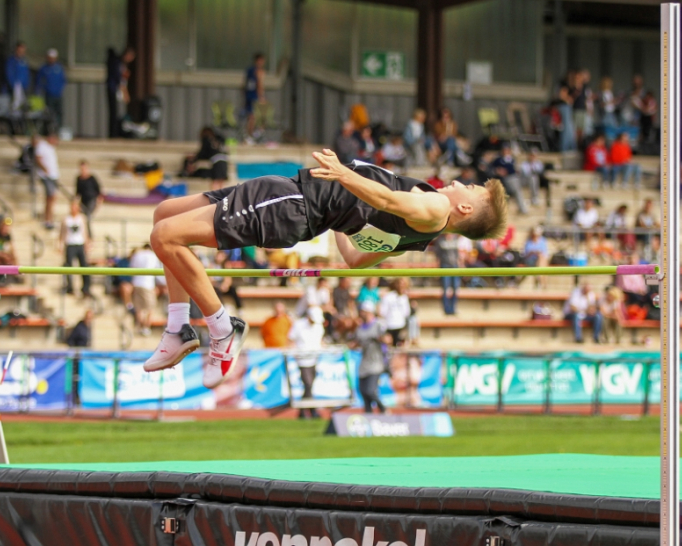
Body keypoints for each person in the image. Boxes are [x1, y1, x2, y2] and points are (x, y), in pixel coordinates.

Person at [144, 152, 508, 390]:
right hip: (295, 202)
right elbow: (355, 257)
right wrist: (341, 211)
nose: (461, 182)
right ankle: (178, 328)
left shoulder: (434, 207)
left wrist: (342, 175)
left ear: (462, 207)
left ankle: (222, 328)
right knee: (165, 214)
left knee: (165, 236)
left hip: (291, 204)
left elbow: (384, 198)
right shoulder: (416, 237)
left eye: (470, 188)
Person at [351, 301, 388, 414]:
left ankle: (382, 408)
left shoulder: (378, 325)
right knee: (362, 390)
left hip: (376, 361)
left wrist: (381, 339)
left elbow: (387, 339)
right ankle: (368, 413)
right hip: (365, 361)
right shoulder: (360, 328)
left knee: (370, 390)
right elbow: (356, 342)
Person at [288, 306, 325, 419]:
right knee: (308, 384)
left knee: (309, 385)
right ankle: (310, 409)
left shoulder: (319, 327)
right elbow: (290, 339)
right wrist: (293, 352)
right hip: (302, 359)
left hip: (314, 358)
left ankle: (304, 410)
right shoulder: (299, 325)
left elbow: (320, 341)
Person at [59, 199, 91, 298]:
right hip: (70, 244)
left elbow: (85, 232)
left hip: (80, 243)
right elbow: (62, 233)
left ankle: (85, 288)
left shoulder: (82, 218)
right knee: (68, 267)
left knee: (84, 266)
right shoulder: (66, 219)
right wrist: (60, 244)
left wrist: (87, 243)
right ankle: (70, 287)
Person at [129, 244, 161, 337]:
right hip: (148, 285)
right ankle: (146, 327)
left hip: (137, 284)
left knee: (139, 308)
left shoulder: (137, 255)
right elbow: (157, 270)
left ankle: (140, 326)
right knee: (150, 308)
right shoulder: (152, 256)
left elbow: (132, 267)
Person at [106, 47, 135, 138]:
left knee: (116, 112)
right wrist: (125, 93)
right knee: (113, 112)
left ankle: (115, 132)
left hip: (116, 90)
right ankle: (113, 134)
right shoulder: (117, 63)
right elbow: (119, 80)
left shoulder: (121, 64)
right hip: (114, 89)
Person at [491, 144, 528, 214]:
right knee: (516, 189)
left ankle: (521, 208)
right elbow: (492, 169)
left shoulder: (512, 160)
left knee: (517, 187)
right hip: (505, 179)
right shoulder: (498, 160)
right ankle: (522, 208)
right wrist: (498, 171)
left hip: (515, 178)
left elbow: (516, 170)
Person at [34, 133, 60, 229]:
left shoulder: (51, 148)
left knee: (52, 198)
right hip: (47, 176)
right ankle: (47, 219)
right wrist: (44, 169)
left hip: (53, 176)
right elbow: (38, 158)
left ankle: (50, 218)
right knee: (50, 197)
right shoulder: (42, 146)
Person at [37, 49, 66, 131]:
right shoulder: (44, 68)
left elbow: (63, 80)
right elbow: (39, 81)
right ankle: (47, 130)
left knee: (59, 112)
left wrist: (59, 89)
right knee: (48, 113)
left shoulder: (59, 68)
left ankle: (58, 129)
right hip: (48, 95)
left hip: (58, 95)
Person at [433, 233, 462, 316]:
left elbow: (457, 254)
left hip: (454, 266)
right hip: (444, 266)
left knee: (455, 288)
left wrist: (460, 265)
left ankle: (453, 308)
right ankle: (446, 309)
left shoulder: (455, 239)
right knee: (445, 288)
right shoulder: (440, 241)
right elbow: (437, 256)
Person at [379, 278, 411, 347]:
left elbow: (406, 313)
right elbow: (383, 312)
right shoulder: (388, 297)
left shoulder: (404, 298)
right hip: (390, 325)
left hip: (399, 325)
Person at [75, 160, 103, 237]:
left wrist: (99, 201)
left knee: (87, 217)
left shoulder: (92, 178)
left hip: (92, 200)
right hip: (83, 201)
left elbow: (98, 190)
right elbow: (77, 192)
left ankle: (89, 236)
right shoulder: (79, 179)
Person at [244, 53, 266, 143]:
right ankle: (252, 134)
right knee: (255, 117)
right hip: (253, 96)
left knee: (251, 117)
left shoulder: (249, 70)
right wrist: (261, 96)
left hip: (249, 96)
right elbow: (259, 84)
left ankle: (251, 135)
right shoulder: (258, 71)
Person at [5, 42, 30, 110]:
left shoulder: (24, 61)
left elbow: (26, 74)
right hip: (14, 88)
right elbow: (9, 74)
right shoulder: (11, 61)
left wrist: (25, 85)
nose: (21, 53)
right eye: (20, 51)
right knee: (15, 105)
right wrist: (14, 85)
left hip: (23, 88)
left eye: (23, 51)